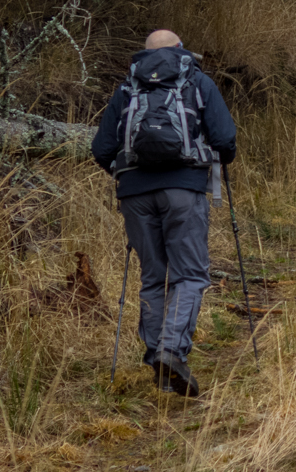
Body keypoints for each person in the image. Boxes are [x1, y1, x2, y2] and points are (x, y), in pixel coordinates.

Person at [91, 30, 237, 396]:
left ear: (144, 54)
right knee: (190, 275)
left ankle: (157, 356)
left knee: (153, 276)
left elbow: (101, 149)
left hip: (135, 193)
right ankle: (171, 352)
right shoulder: (198, 81)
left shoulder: (128, 89)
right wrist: (211, 164)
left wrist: (126, 175)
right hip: (183, 190)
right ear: (180, 50)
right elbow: (224, 140)